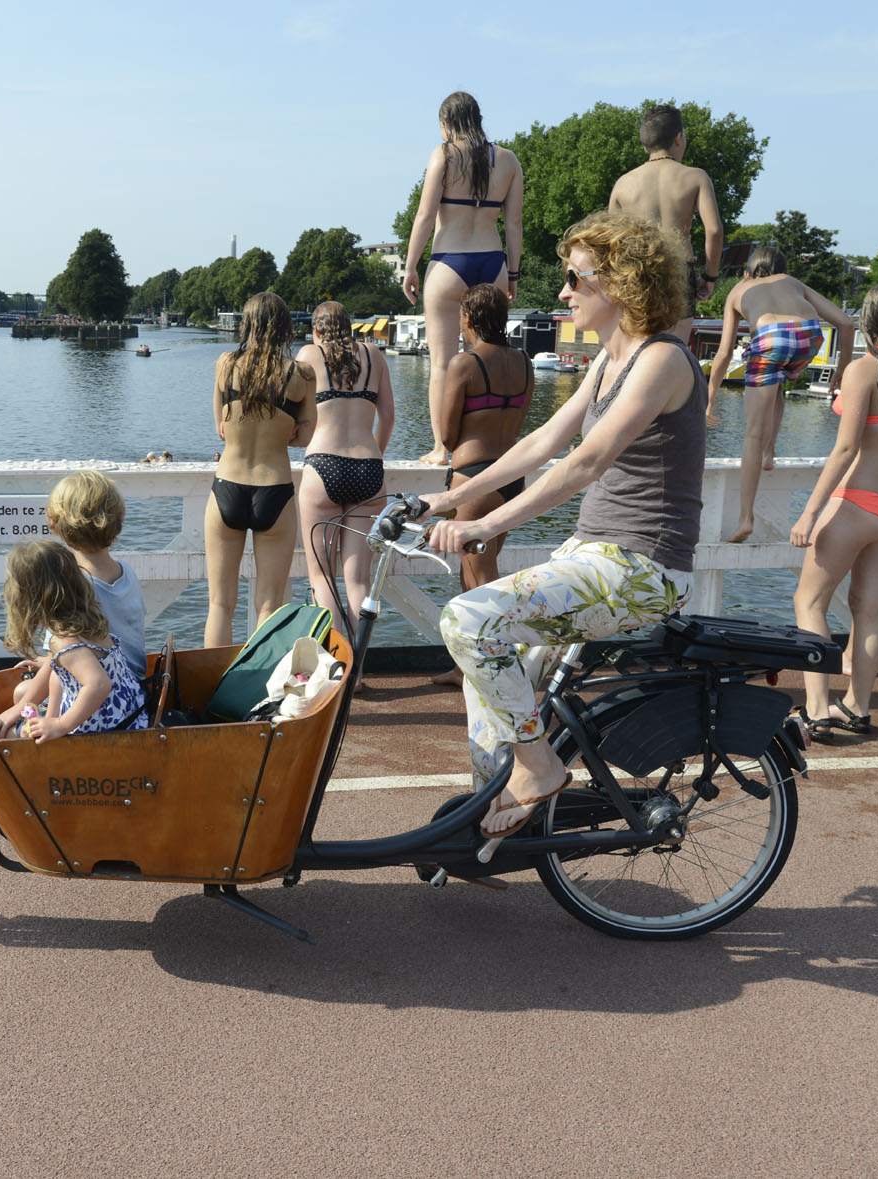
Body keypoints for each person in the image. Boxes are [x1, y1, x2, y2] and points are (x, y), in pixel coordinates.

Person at [425, 211, 706, 853]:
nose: (563, 292)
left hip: (643, 569)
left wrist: (485, 525)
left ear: (622, 284)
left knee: (468, 621)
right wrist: (454, 496)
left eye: (576, 278)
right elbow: (546, 440)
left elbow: (585, 461)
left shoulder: (663, 359)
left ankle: (540, 769)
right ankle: (497, 800)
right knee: (489, 666)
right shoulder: (611, 360)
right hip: (598, 556)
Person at [787, 281, 878, 741]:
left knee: (808, 602)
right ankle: (857, 706)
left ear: (868, 319)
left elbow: (846, 447)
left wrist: (810, 513)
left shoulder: (863, 370)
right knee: (869, 606)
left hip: (859, 500)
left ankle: (816, 707)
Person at [402, 91, 523, 466]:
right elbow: (515, 223)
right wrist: (514, 273)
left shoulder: (443, 155)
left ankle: (442, 449)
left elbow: (424, 217)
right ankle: (490, 446)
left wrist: (409, 267)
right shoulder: (508, 160)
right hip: (492, 264)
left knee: (442, 364)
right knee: (492, 358)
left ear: (445, 123)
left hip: (448, 263)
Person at [705, 245, 856, 543]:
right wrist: (843, 370)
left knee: (752, 433)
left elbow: (723, 353)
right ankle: (769, 453)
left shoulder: (739, 290)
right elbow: (847, 323)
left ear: (747, 273)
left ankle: (745, 518)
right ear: (782, 269)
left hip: (771, 341)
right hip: (809, 338)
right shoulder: (792, 282)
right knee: (779, 380)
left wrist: (710, 397)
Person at [430, 283, 534, 687]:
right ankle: (465, 667)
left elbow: (448, 431)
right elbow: (520, 423)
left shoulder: (464, 364)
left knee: (480, 576)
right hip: (510, 475)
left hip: (474, 478)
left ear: (469, 318)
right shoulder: (523, 362)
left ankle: (503, 671)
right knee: (472, 570)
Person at [205, 291, 316, 646]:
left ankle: (210, 694)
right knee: (269, 605)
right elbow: (304, 437)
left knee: (220, 604)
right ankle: (258, 693)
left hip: (228, 486)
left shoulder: (225, 364)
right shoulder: (301, 374)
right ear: (285, 327)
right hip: (275, 490)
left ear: (246, 324)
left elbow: (221, 426)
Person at [9, 470, 148, 713]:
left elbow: (60, 657)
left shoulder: (72, 586)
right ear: (118, 523)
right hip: (135, 679)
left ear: (54, 524)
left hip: (102, 691)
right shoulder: (127, 572)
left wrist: (18, 707)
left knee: (22, 692)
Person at [0, 539, 149, 743]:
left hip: (107, 725)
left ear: (25, 600)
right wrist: (44, 716)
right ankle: (44, 722)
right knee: (25, 698)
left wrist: (60, 725)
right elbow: (60, 674)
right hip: (128, 711)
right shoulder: (87, 618)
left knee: (6, 737)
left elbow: (98, 684)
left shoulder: (63, 640)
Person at [295, 300, 393, 628]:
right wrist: (374, 453)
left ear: (317, 330)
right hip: (368, 467)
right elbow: (388, 417)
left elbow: (292, 415)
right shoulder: (374, 355)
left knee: (322, 578)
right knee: (359, 582)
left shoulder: (309, 355)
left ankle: (337, 664)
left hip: (323, 464)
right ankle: (360, 674)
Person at [607, 102, 725, 345]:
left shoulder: (623, 183)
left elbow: (610, 242)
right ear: (678, 138)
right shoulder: (695, 177)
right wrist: (709, 277)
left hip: (637, 273)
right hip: (678, 270)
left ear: (644, 145)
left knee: (637, 348)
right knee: (673, 350)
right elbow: (713, 231)